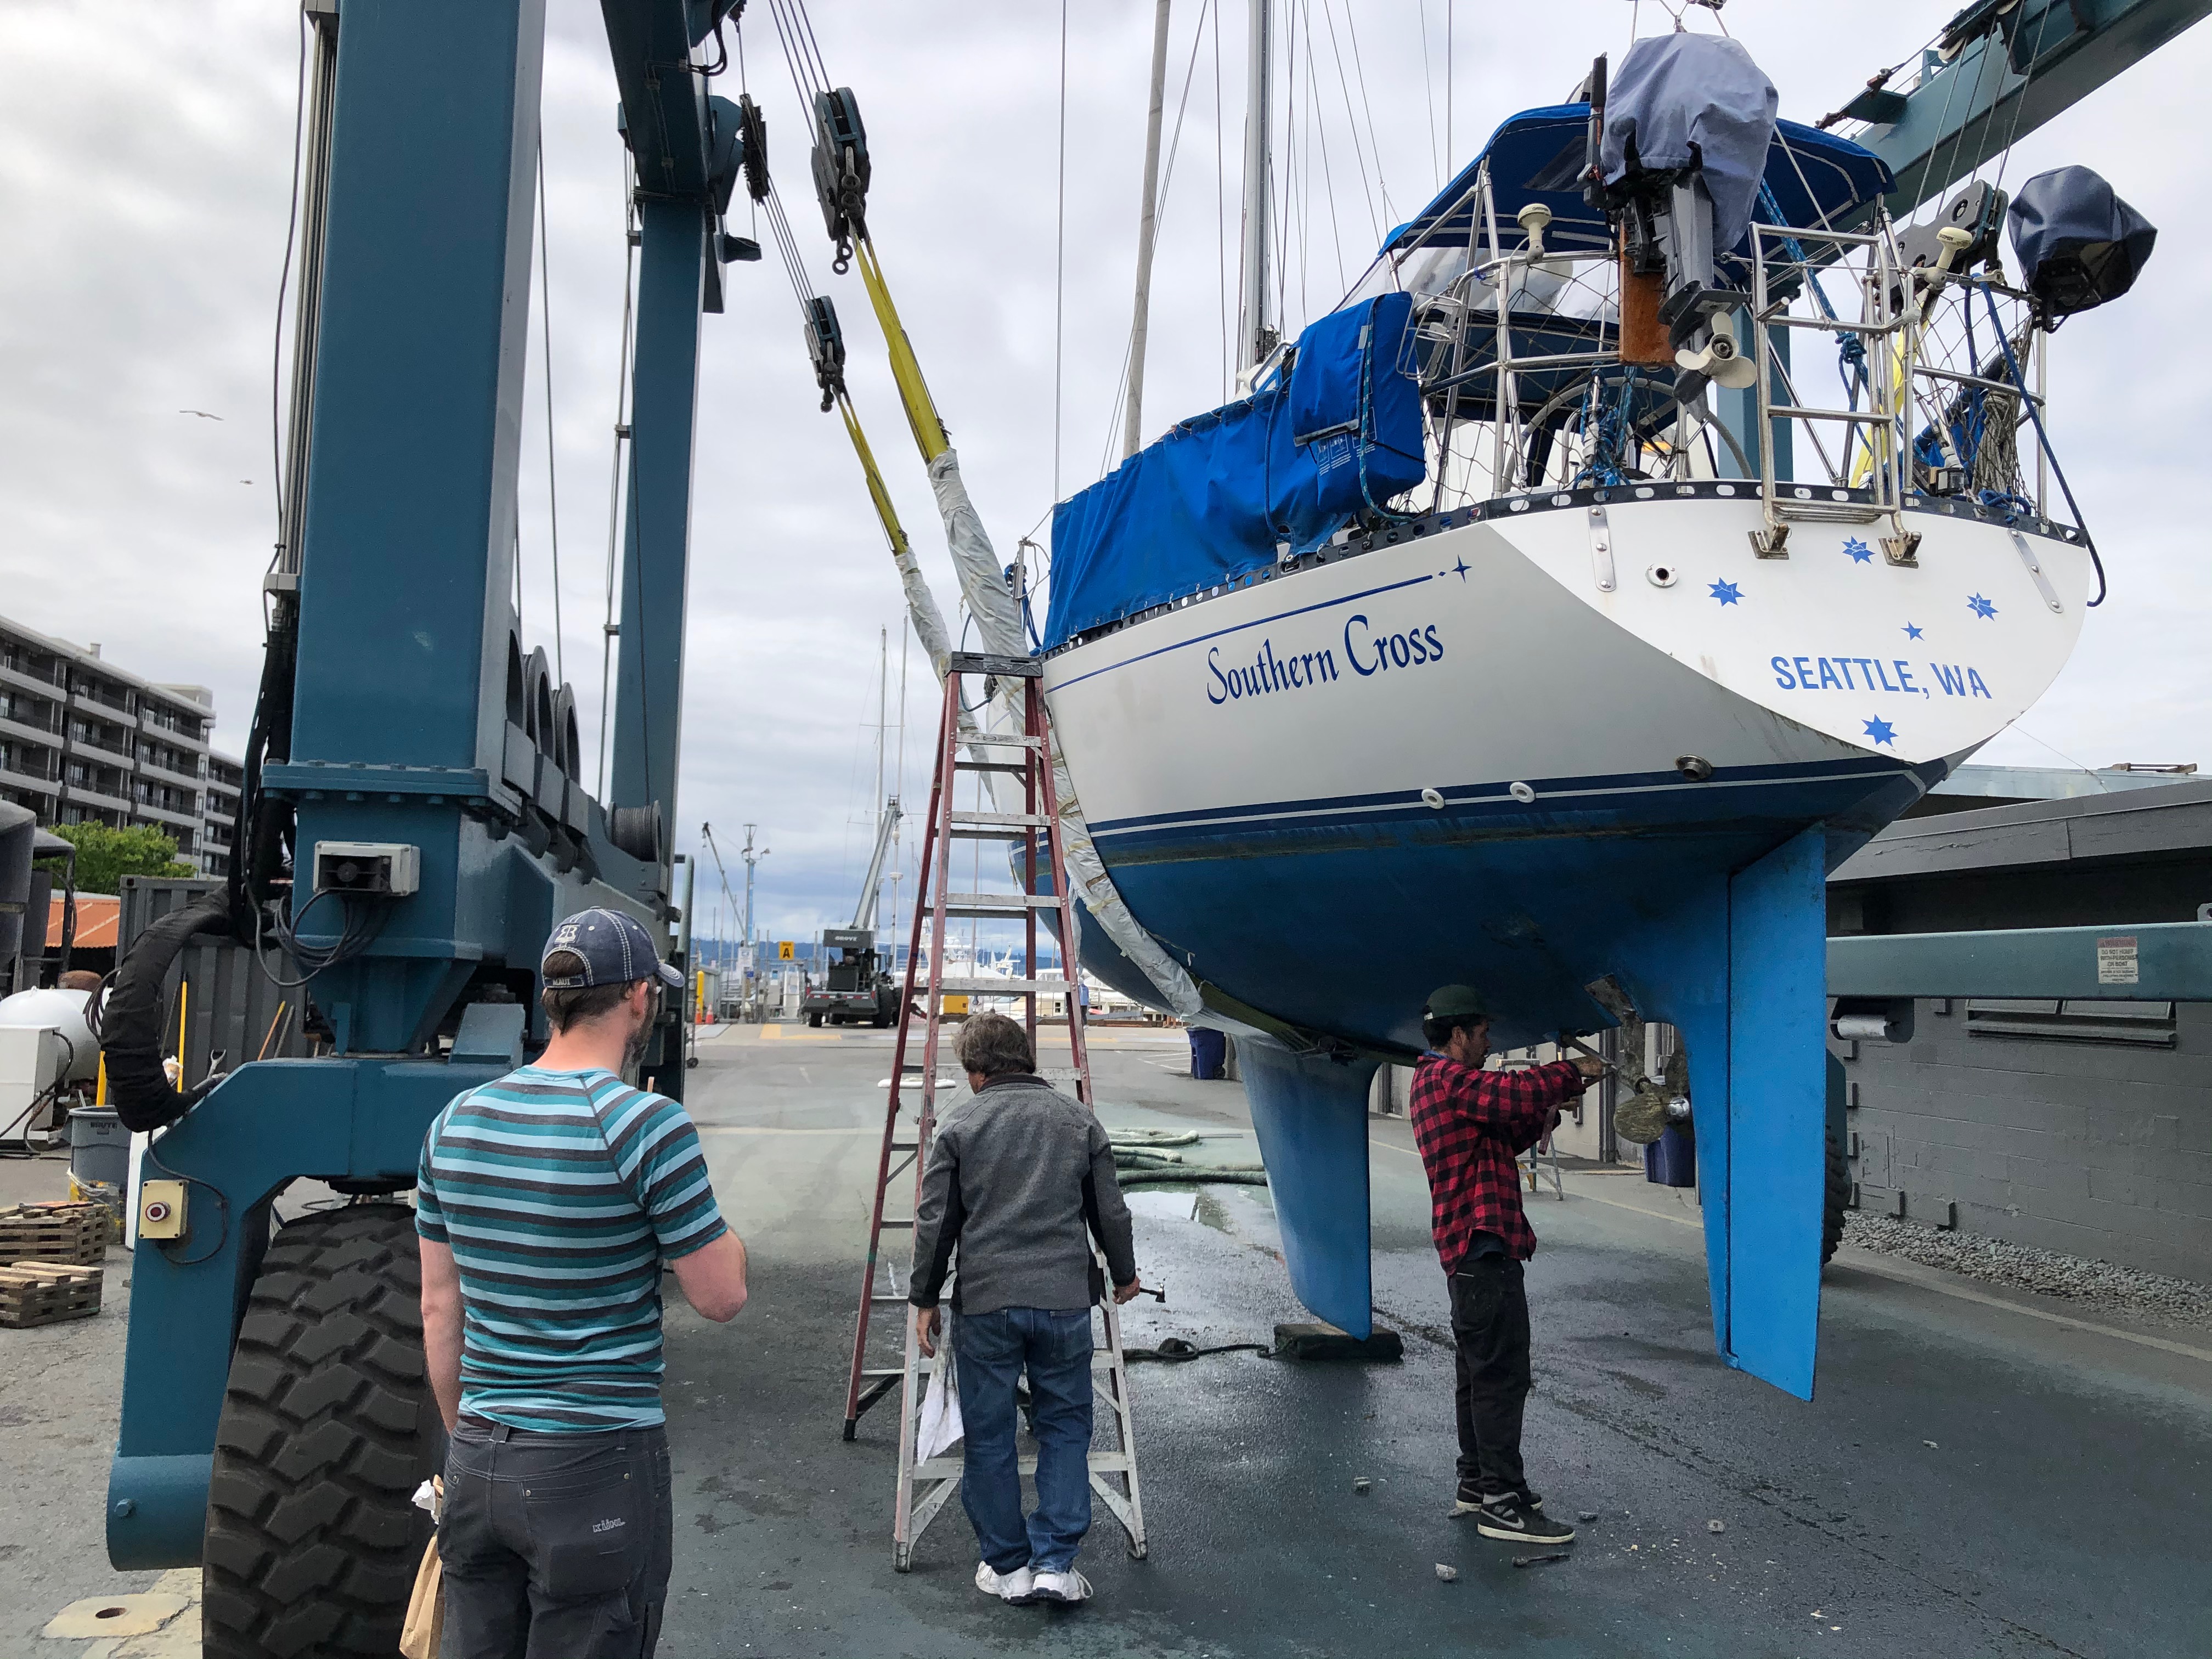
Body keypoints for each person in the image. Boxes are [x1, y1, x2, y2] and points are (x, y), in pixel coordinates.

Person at [416, 907, 750, 1658]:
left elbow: (441, 1308)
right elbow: (720, 1296)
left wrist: (470, 1438)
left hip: (475, 1458)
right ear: (638, 997)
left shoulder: (454, 1124)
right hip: (593, 1464)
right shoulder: (646, 1127)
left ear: (551, 999)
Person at [909, 1012, 1140, 1607]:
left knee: (989, 1437)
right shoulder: (1078, 1120)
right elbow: (1109, 1210)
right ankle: (1055, 1565)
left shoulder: (960, 1126)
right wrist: (1124, 1274)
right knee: (1065, 1427)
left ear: (976, 1072)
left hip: (986, 1302)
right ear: (1028, 1061)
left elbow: (937, 1225)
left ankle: (1008, 1567)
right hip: (1064, 1302)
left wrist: (924, 1299)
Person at [1407, 984, 1601, 1547]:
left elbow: (1502, 1130)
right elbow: (1503, 1094)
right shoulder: (1445, 1078)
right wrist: (1573, 1072)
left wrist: (1543, 1112)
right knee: (1501, 1377)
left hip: (1471, 1251)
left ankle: (1476, 1484)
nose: (1491, 1044)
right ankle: (1504, 1503)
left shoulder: (1446, 1088)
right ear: (1458, 1033)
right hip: (1481, 1247)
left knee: (1476, 1374)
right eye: (1484, 1033)